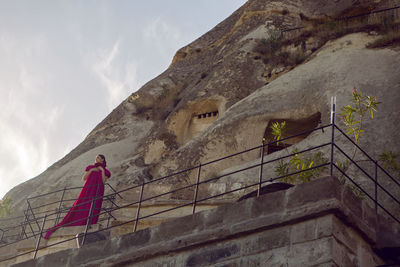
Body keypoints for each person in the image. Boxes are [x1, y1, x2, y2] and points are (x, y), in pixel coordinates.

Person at [44, 154, 111, 239]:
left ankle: (90, 223)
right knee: (81, 204)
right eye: (96, 157)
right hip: (88, 189)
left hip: (98, 190)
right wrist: (91, 170)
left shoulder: (106, 171)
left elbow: (103, 181)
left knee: (94, 205)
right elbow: (84, 178)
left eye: (98, 157)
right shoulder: (90, 167)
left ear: (102, 160)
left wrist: (102, 170)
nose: (96, 158)